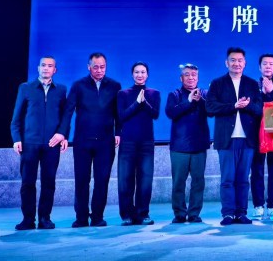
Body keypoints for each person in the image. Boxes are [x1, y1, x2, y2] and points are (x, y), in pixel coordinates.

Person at [10, 56, 70, 230]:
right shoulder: (26, 88)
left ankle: (45, 218)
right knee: (28, 182)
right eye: (43, 65)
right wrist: (16, 139)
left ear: (55, 70)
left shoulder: (61, 90)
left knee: (48, 182)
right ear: (38, 68)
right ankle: (28, 219)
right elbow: (16, 117)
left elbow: (65, 117)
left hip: (52, 144)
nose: (46, 68)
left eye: (50, 66)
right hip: (29, 143)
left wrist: (63, 135)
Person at [63, 52, 122, 228]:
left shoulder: (115, 86)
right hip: (82, 141)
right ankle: (81, 217)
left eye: (102, 67)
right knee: (82, 180)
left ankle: (97, 217)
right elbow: (68, 111)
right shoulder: (78, 85)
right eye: (96, 67)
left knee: (102, 180)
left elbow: (118, 113)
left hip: (105, 142)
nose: (99, 70)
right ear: (89, 67)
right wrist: (63, 134)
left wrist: (118, 132)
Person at [206, 47, 263, 226]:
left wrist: (247, 106)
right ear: (226, 63)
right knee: (227, 179)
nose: (236, 63)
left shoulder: (252, 84)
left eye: (240, 60)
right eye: (233, 60)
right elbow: (210, 108)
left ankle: (241, 213)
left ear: (244, 63)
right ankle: (228, 213)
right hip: (226, 139)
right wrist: (234, 106)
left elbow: (260, 109)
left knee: (243, 179)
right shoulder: (217, 83)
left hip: (247, 138)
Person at [116, 62, 160, 225]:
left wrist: (144, 102)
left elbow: (155, 114)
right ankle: (127, 215)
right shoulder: (123, 93)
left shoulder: (154, 93)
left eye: (143, 72)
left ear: (147, 75)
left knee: (145, 180)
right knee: (125, 179)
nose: (140, 75)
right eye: (136, 72)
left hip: (146, 143)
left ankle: (143, 213)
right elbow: (122, 116)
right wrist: (136, 103)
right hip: (128, 142)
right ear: (132, 74)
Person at [165, 63, 209, 224]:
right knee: (178, 182)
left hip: (199, 146)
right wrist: (189, 101)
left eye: (194, 75)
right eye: (187, 75)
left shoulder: (204, 94)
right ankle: (179, 214)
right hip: (179, 146)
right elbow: (171, 112)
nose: (191, 78)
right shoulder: (174, 94)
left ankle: (194, 213)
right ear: (181, 78)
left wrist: (200, 100)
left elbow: (211, 111)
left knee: (198, 182)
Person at [251, 53, 273, 220]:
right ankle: (258, 205)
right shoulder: (251, 85)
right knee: (257, 170)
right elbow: (252, 107)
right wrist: (262, 94)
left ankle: (272, 206)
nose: (268, 66)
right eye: (265, 64)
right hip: (256, 134)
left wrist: (271, 92)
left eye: (271, 64)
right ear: (259, 67)